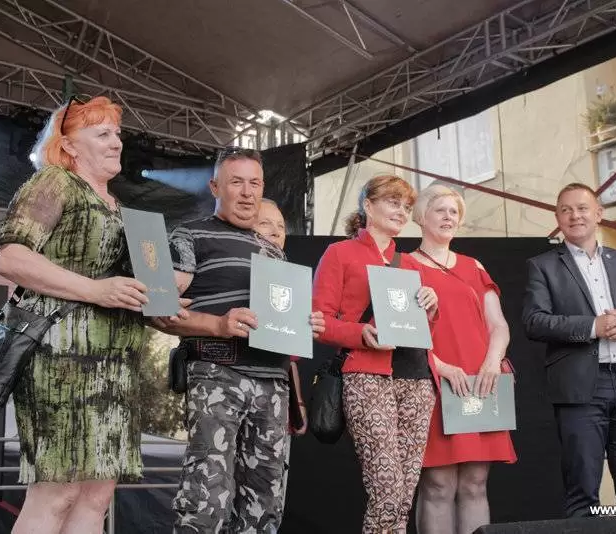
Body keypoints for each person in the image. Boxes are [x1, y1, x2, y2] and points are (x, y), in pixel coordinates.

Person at [0, 96, 187, 534]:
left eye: (117, 133)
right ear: (69, 145)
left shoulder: (119, 207)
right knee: (56, 495)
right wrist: (96, 290)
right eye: (102, 134)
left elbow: (120, 288)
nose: (116, 142)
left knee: (96, 498)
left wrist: (159, 301)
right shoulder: (55, 182)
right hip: (60, 356)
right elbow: (9, 257)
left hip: (115, 364)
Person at [154, 147, 324, 533]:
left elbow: (281, 324)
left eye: (255, 183)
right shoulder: (191, 234)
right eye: (236, 182)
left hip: (273, 384)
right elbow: (160, 312)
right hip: (217, 373)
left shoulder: (274, 252)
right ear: (215, 187)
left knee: (265, 504)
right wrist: (217, 324)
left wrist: (304, 323)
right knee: (206, 496)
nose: (247, 192)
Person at [522, 183, 616, 534]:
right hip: (579, 389)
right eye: (566, 210)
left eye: (583, 208)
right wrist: (593, 326)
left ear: (598, 213)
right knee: (582, 490)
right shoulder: (542, 265)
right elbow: (534, 321)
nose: (575, 215)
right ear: (558, 218)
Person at [312, 174, 440, 534]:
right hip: (366, 376)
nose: (402, 211)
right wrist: (360, 334)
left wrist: (432, 308)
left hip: (416, 380)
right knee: (387, 492)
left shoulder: (412, 263)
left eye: (406, 206)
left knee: (404, 496)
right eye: (393, 202)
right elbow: (319, 321)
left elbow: (420, 331)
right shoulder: (340, 253)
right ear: (368, 205)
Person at [407, 185, 516, 534]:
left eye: (454, 211)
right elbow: (402, 331)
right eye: (440, 209)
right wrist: (439, 366)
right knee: (438, 484)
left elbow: (498, 326)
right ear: (421, 216)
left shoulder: (473, 266)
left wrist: (491, 363)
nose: (448, 217)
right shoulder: (404, 265)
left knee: (475, 483)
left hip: (480, 381)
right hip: (433, 381)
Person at [253, 198, 307, 512]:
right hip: (233, 397)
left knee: (271, 496)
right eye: (265, 224)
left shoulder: (289, 281)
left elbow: (291, 358)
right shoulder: (233, 272)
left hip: (277, 403)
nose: (275, 232)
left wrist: (298, 405)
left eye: (281, 226)